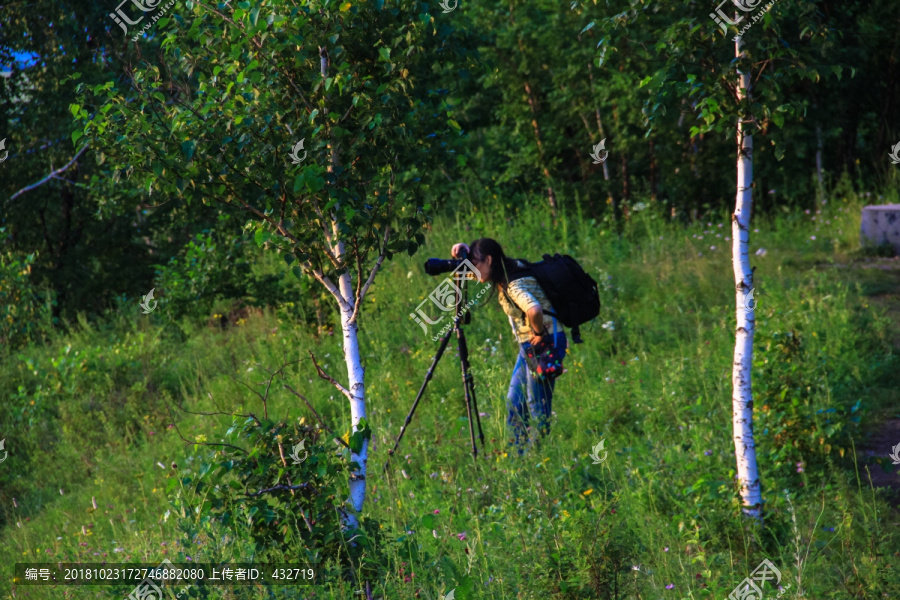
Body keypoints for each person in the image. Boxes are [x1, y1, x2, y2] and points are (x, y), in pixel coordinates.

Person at [450, 238, 567, 455]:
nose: (473, 272)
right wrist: (463, 252)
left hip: (546, 343)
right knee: (514, 402)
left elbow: (534, 310)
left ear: (489, 260)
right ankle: (518, 458)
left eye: (475, 264)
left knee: (537, 408)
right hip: (529, 346)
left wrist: (539, 333)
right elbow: (471, 269)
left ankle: (539, 460)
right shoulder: (510, 267)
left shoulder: (512, 284)